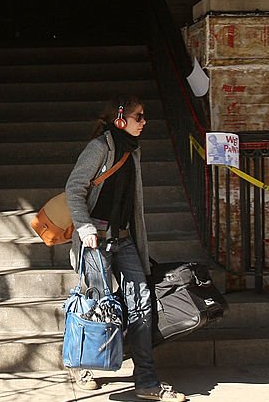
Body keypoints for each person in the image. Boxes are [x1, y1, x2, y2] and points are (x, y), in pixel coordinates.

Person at [64, 95, 186, 402]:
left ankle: (146, 380)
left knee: (141, 303)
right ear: (121, 120)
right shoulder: (99, 148)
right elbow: (74, 188)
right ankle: (77, 364)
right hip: (96, 239)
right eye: (139, 117)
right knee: (94, 304)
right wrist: (85, 225)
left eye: (144, 117)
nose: (144, 122)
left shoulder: (133, 151)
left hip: (124, 238)